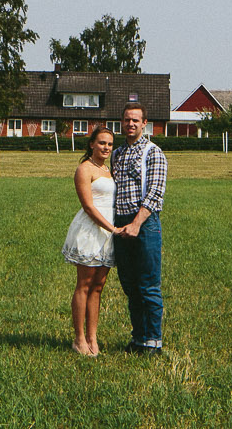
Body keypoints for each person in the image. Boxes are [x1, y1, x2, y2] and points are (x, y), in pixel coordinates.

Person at [110, 97, 167, 354]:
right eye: (126, 119)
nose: (130, 124)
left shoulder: (152, 152)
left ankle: (153, 341)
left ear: (145, 124)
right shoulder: (117, 154)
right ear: (121, 122)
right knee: (130, 285)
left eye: (135, 120)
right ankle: (138, 338)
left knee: (148, 285)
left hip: (144, 224)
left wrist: (135, 224)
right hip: (121, 225)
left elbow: (155, 193)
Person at [61, 125, 118, 355]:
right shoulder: (84, 169)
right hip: (92, 230)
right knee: (84, 284)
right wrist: (112, 228)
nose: (106, 147)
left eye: (110, 144)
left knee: (98, 286)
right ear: (92, 144)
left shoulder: (109, 170)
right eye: (102, 143)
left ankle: (93, 338)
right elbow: (88, 206)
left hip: (108, 232)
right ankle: (79, 338)